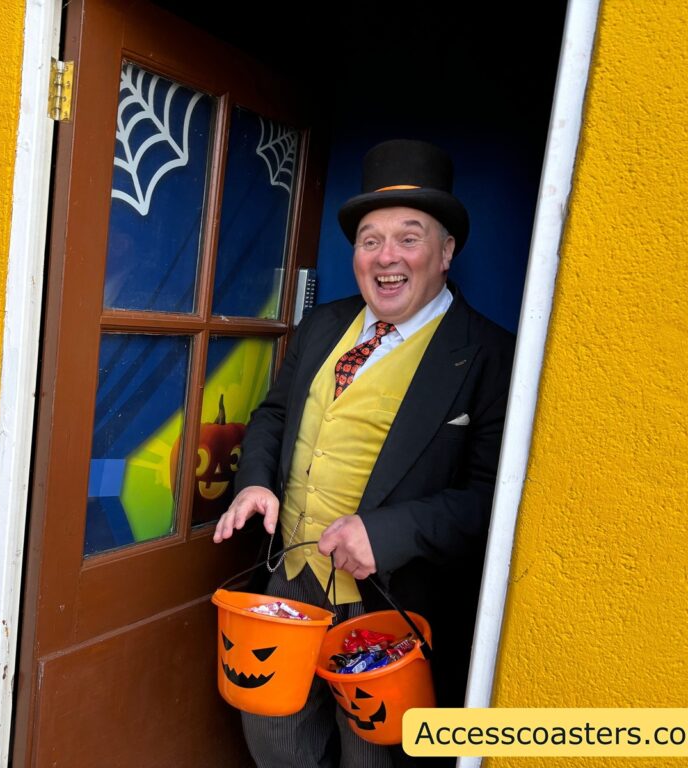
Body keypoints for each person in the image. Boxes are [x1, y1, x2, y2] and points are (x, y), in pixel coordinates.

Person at [213, 139, 515, 767]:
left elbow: (494, 498)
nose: (386, 257)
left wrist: (387, 531)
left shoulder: (487, 354)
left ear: (446, 252)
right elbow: (274, 414)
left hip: (389, 602)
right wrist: (256, 482)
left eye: (409, 237)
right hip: (291, 579)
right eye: (370, 239)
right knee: (274, 737)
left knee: (373, 756)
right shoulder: (325, 325)